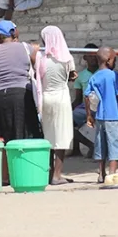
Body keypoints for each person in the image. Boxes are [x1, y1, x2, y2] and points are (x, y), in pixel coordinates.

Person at [0, 19, 41, 144]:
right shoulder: (25, 47)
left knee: (0, 138)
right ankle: (21, 163)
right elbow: (38, 66)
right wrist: (35, 50)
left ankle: (3, 163)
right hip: (21, 95)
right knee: (24, 135)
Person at [37, 26, 77, 185]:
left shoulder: (41, 58)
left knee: (48, 137)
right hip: (61, 98)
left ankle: (48, 173)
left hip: (46, 98)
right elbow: (71, 76)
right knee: (61, 136)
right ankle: (57, 175)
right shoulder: (67, 58)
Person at [85, 47, 118, 183]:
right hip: (114, 116)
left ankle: (101, 173)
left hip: (99, 116)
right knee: (114, 143)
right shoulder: (114, 76)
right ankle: (112, 173)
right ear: (109, 60)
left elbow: (87, 96)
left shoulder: (93, 77)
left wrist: (89, 115)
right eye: (115, 60)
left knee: (100, 144)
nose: (115, 63)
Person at [72, 43, 99, 154]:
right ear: (84, 57)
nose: (92, 58)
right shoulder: (80, 76)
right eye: (90, 55)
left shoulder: (103, 72)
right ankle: (86, 146)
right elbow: (78, 99)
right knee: (67, 121)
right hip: (86, 108)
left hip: (100, 107)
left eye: (95, 55)